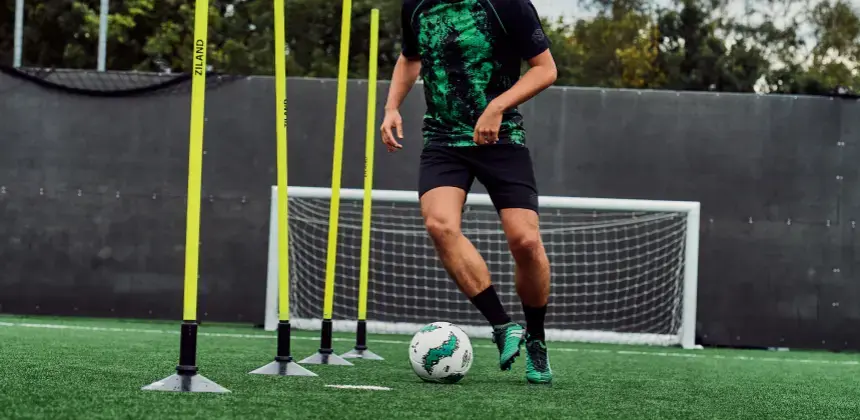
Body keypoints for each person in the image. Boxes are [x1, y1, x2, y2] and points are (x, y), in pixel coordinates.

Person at [380, 0, 557, 384]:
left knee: (525, 241)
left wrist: (497, 106)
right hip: (443, 140)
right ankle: (502, 326)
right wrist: (392, 107)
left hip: (502, 137)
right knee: (439, 224)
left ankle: (537, 341)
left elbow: (545, 69)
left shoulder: (508, 5)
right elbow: (411, 57)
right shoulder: (416, 6)